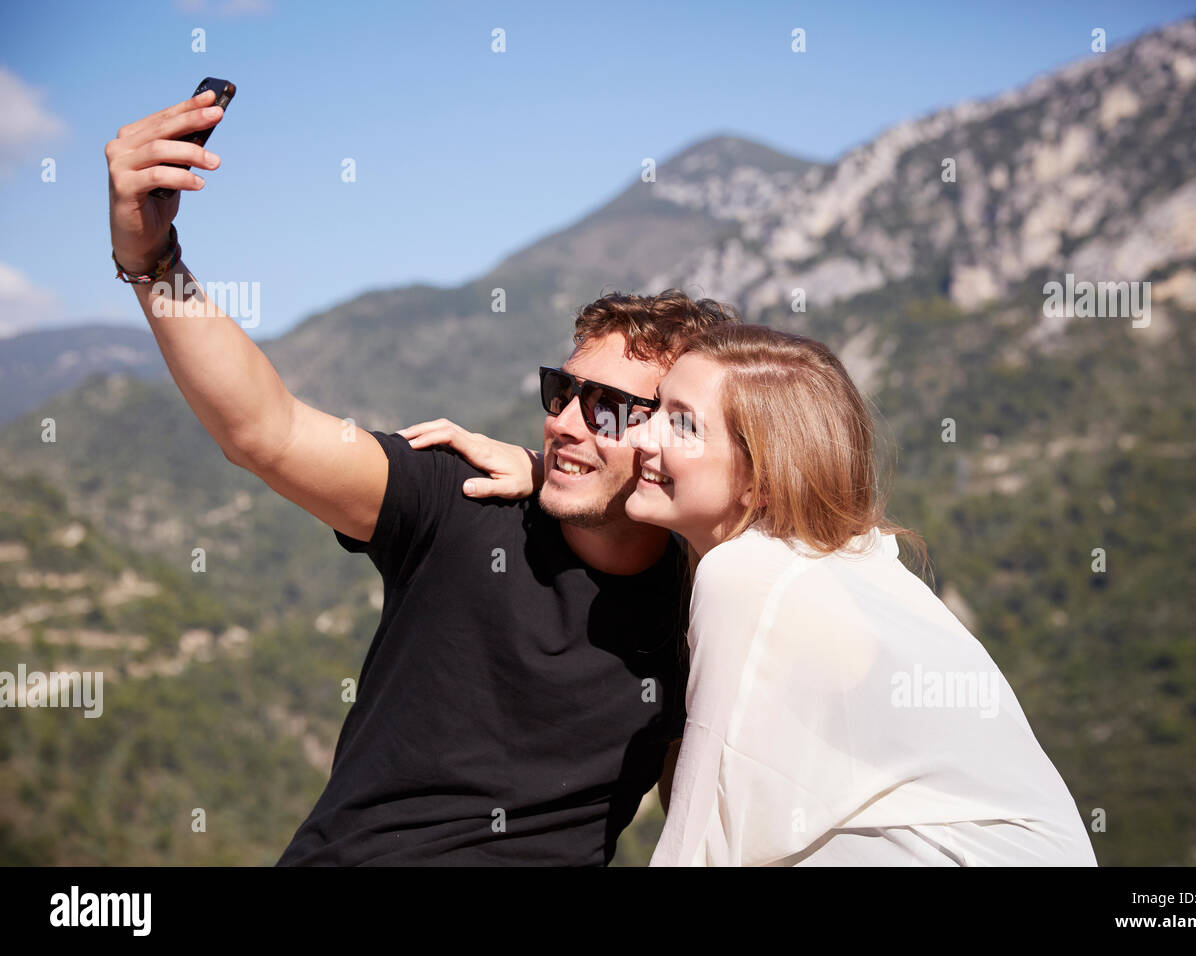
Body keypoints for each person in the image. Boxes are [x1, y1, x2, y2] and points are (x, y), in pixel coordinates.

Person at [104, 88, 741, 864]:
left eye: (608, 408)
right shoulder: (458, 499)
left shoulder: (708, 599)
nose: (567, 423)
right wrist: (154, 261)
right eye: (562, 392)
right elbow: (263, 429)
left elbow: (701, 821)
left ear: (673, 436)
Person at [410, 324, 1099, 866]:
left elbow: (708, 832)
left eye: (680, 424)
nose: (642, 436)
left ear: (759, 481)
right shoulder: (846, 556)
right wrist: (545, 470)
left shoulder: (745, 575)